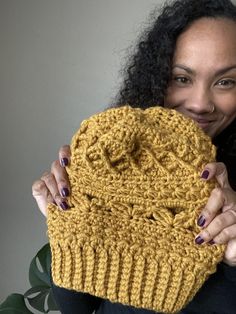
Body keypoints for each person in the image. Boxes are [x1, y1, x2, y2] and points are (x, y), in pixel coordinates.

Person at [32, 0, 236, 313]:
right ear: (155, 75)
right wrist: (72, 221)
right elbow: (78, 309)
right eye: (182, 78)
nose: (200, 103)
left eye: (226, 82)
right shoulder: (113, 158)